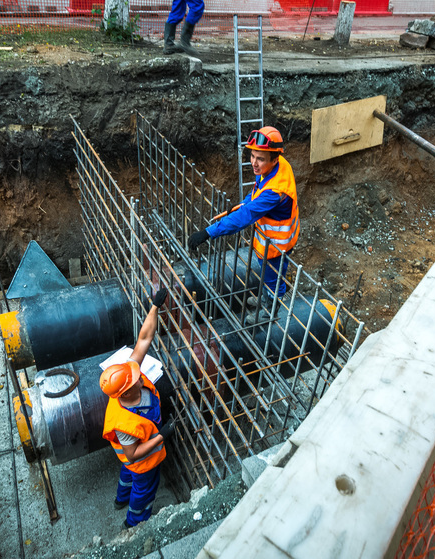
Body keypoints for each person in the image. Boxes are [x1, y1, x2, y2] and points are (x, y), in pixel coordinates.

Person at [187, 126, 299, 309]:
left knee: (271, 277)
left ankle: (271, 308)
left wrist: (208, 233)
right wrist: (246, 202)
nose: (254, 163)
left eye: (260, 159)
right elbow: (258, 191)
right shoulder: (277, 165)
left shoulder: (275, 192)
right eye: (252, 156)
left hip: (276, 244)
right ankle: (267, 296)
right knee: (269, 273)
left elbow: (244, 218)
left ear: (274, 159)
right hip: (277, 236)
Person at [100, 288, 176, 530]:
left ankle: (120, 499)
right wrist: (162, 436)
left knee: (126, 474)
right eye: (136, 379)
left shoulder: (126, 374)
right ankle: (133, 524)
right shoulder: (123, 422)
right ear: (126, 391)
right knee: (143, 490)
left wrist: (154, 307)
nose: (140, 375)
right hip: (142, 461)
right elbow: (133, 454)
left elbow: (144, 338)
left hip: (130, 459)